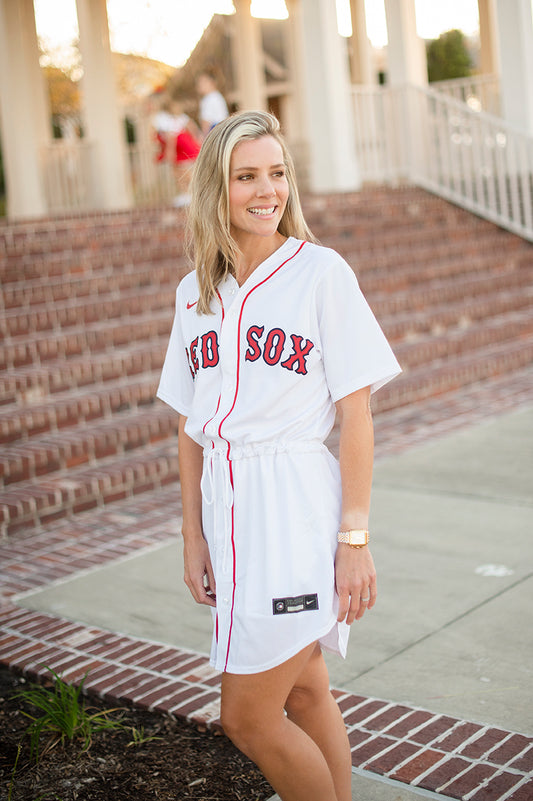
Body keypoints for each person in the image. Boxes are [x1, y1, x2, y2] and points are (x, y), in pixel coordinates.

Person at [157, 111, 401, 801]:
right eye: (246, 176)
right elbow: (188, 428)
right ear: (217, 186)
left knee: (247, 717)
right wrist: (192, 535)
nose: (266, 190)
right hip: (227, 510)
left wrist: (353, 537)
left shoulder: (320, 273)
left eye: (276, 173)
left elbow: (355, 414)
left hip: (293, 512)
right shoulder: (192, 292)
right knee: (303, 691)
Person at [196, 69, 229, 136]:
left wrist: (203, 137)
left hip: (215, 132)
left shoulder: (208, 99)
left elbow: (206, 122)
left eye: (202, 82)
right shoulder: (218, 96)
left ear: (211, 83)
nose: (199, 85)